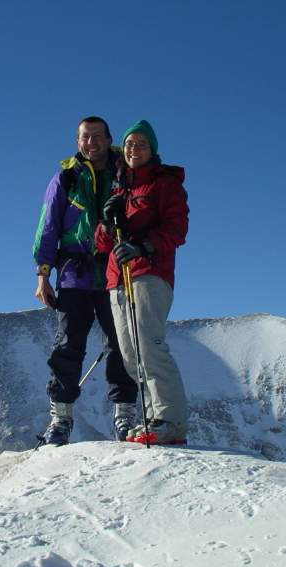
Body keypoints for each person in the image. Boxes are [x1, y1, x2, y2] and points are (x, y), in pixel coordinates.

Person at [32, 116, 138, 445]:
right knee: (68, 345)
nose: (90, 142)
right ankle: (60, 419)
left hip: (115, 272)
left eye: (96, 136)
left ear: (108, 139)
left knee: (121, 344)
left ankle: (124, 417)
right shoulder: (65, 178)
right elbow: (48, 227)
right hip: (73, 275)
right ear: (77, 142)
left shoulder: (126, 174)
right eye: (84, 137)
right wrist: (42, 275)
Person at [95, 119, 190, 445]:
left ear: (152, 150)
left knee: (149, 345)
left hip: (149, 273)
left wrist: (143, 246)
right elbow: (101, 244)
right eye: (129, 144)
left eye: (141, 144)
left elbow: (177, 229)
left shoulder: (165, 185)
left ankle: (170, 421)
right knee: (130, 353)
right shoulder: (119, 189)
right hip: (117, 278)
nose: (134, 149)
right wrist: (107, 222)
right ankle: (153, 419)